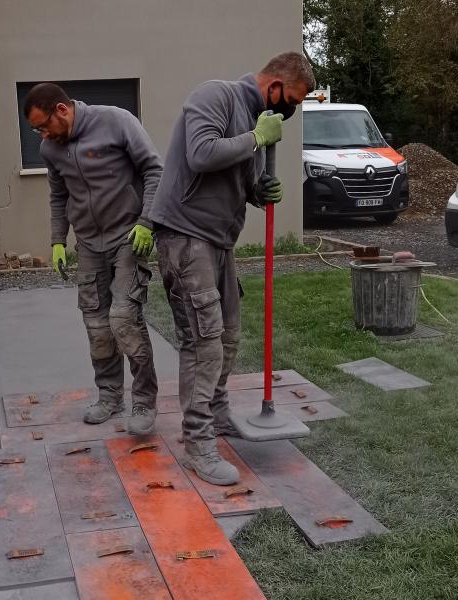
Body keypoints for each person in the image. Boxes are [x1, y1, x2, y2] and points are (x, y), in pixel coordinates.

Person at [149, 51, 315, 485]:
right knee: (203, 341)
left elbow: (237, 180)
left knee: (227, 336)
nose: (289, 110)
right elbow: (201, 154)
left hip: (218, 242)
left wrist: (261, 190)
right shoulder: (215, 97)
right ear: (274, 85)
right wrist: (256, 140)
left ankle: (217, 413)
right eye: (290, 100)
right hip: (185, 237)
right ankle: (198, 446)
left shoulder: (260, 119)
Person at [23, 83, 163, 434]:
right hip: (88, 243)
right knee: (97, 325)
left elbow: (154, 170)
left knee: (123, 318)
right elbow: (58, 195)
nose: (41, 135)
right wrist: (58, 241)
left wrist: (147, 222)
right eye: (36, 130)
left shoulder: (116, 121)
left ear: (61, 110)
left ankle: (144, 401)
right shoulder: (50, 149)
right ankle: (110, 395)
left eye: (43, 126)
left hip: (128, 236)